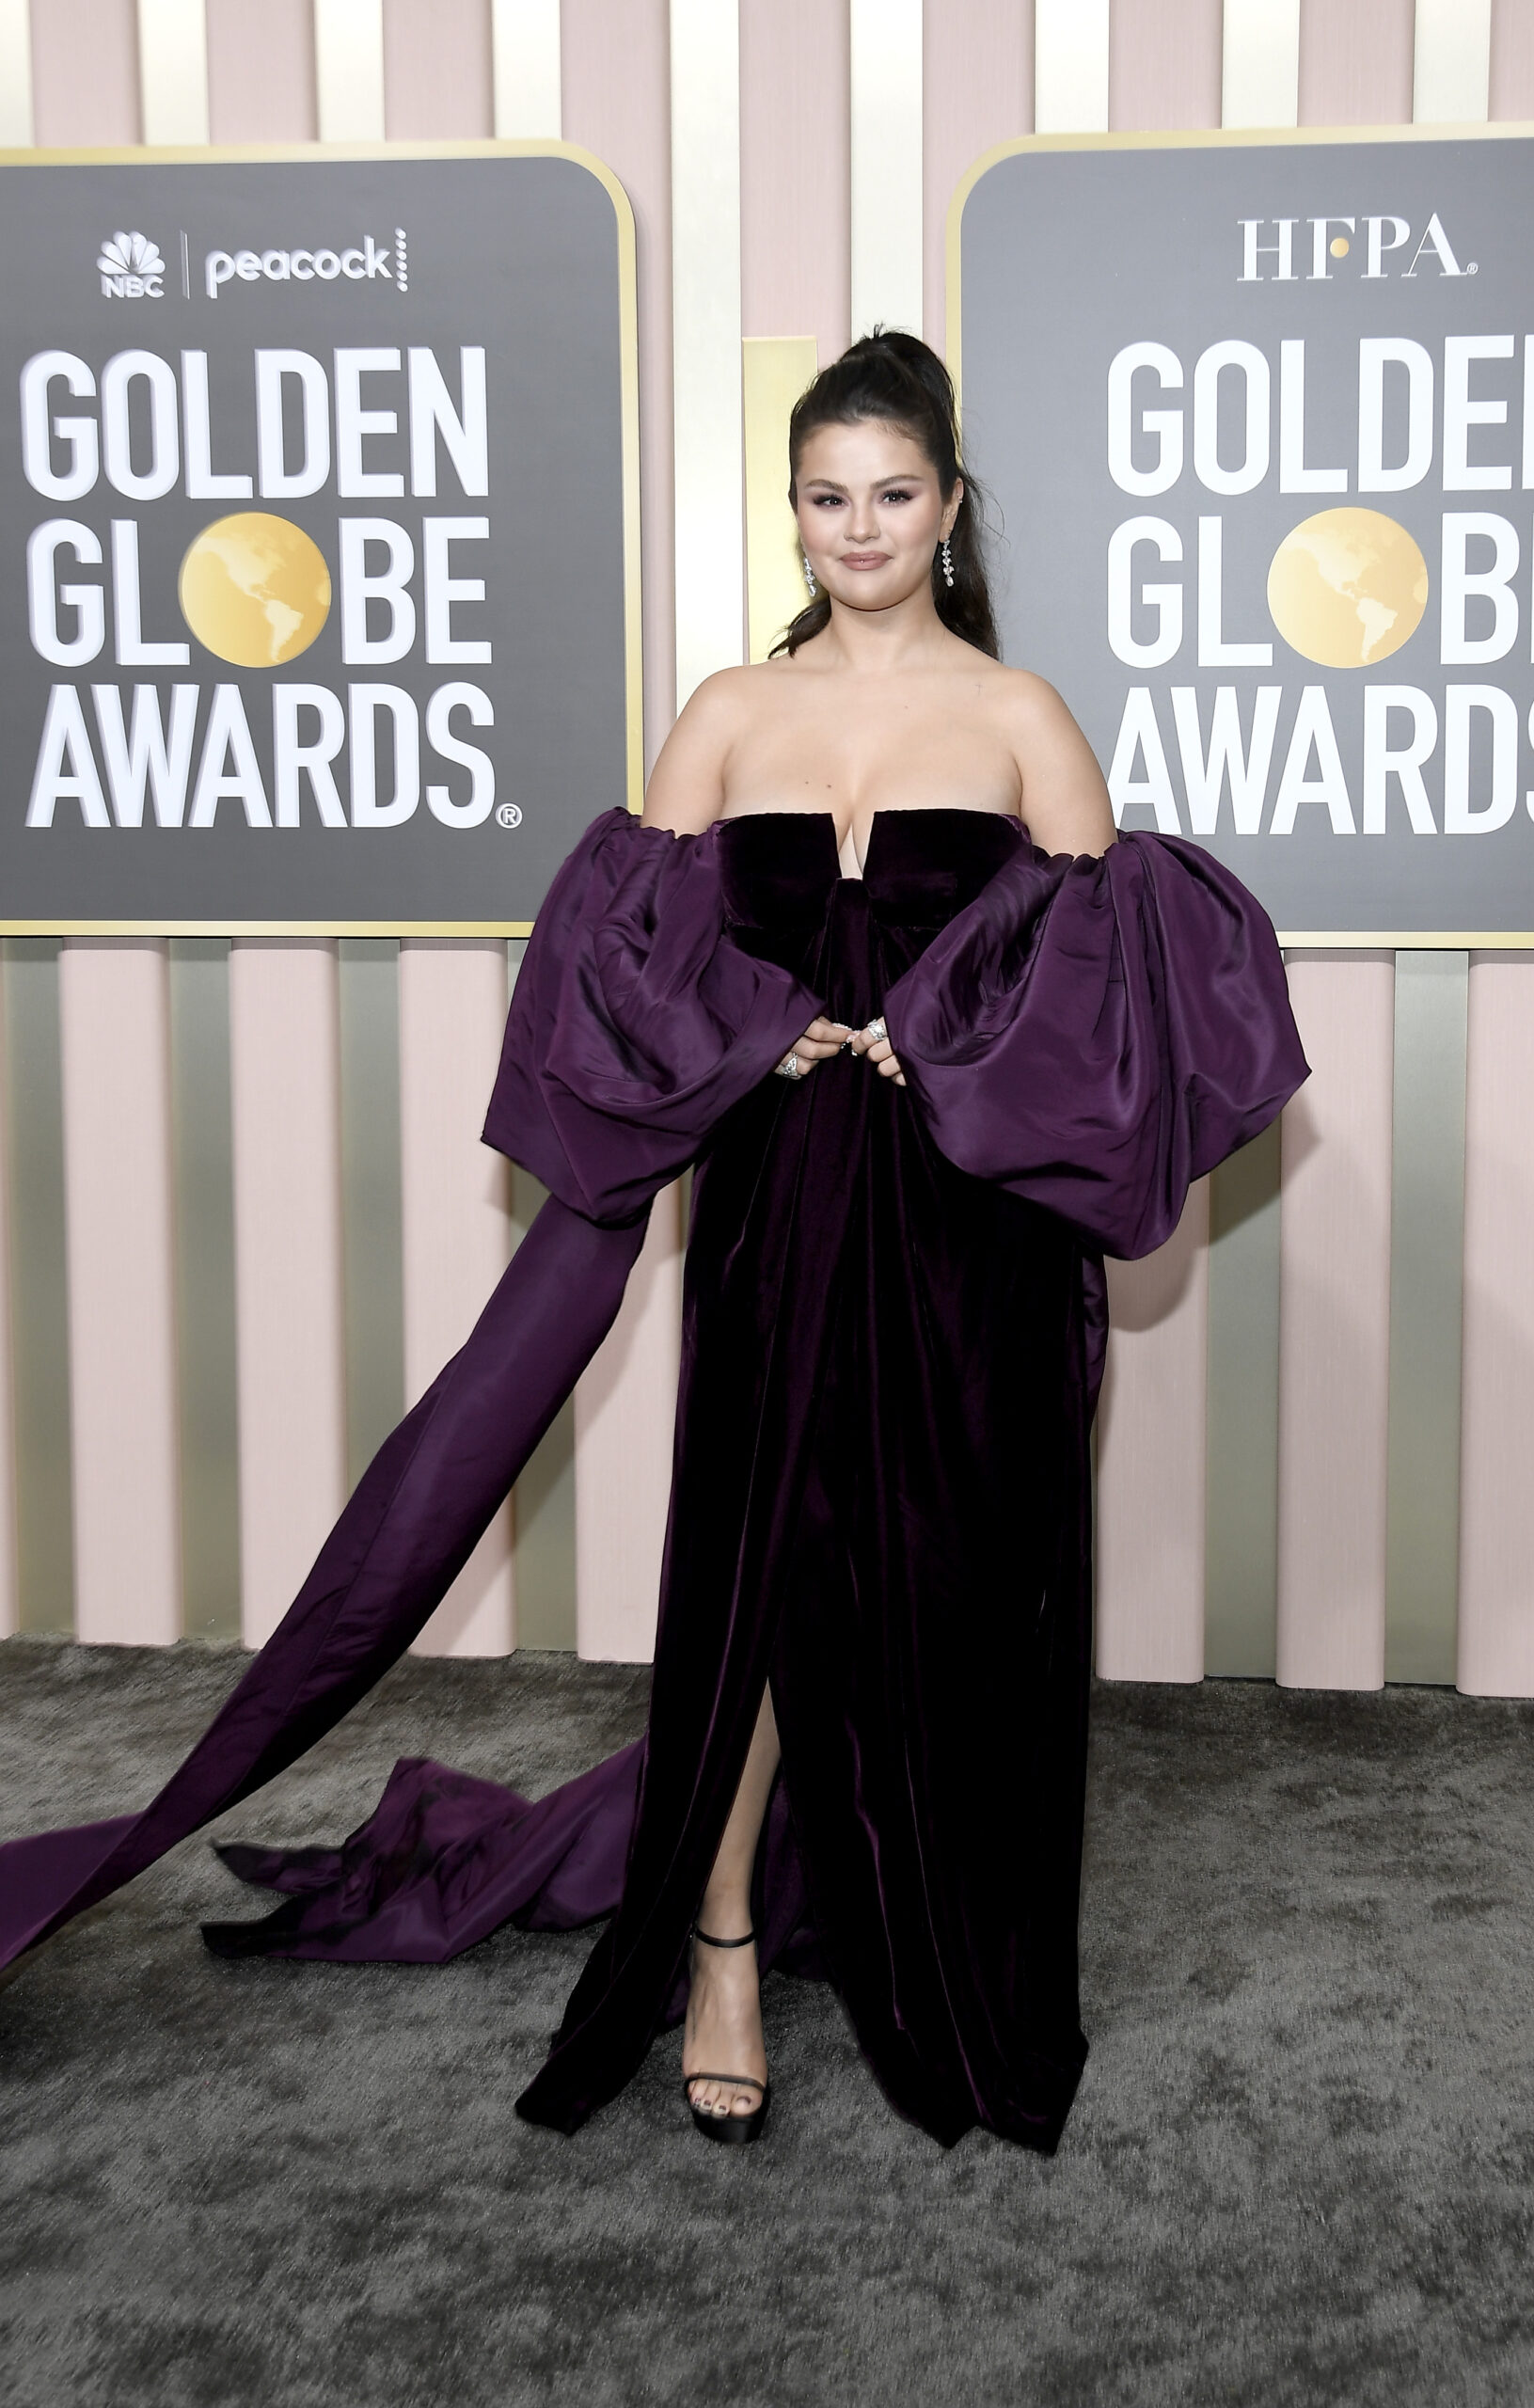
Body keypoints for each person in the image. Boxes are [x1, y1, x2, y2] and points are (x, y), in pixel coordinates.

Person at [0, 334, 1306, 2157]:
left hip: (965, 1235)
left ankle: (944, 1937)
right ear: (792, 511)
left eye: (893, 492)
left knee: (945, 1579)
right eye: (825, 496)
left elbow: (1104, 1007)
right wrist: (748, 1034)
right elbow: (615, 974)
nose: (859, 527)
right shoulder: (724, 713)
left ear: (948, 504)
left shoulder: (1021, 716)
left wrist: (934, 1040)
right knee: (768, 1578)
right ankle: (717, 1945)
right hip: (780, 1205)